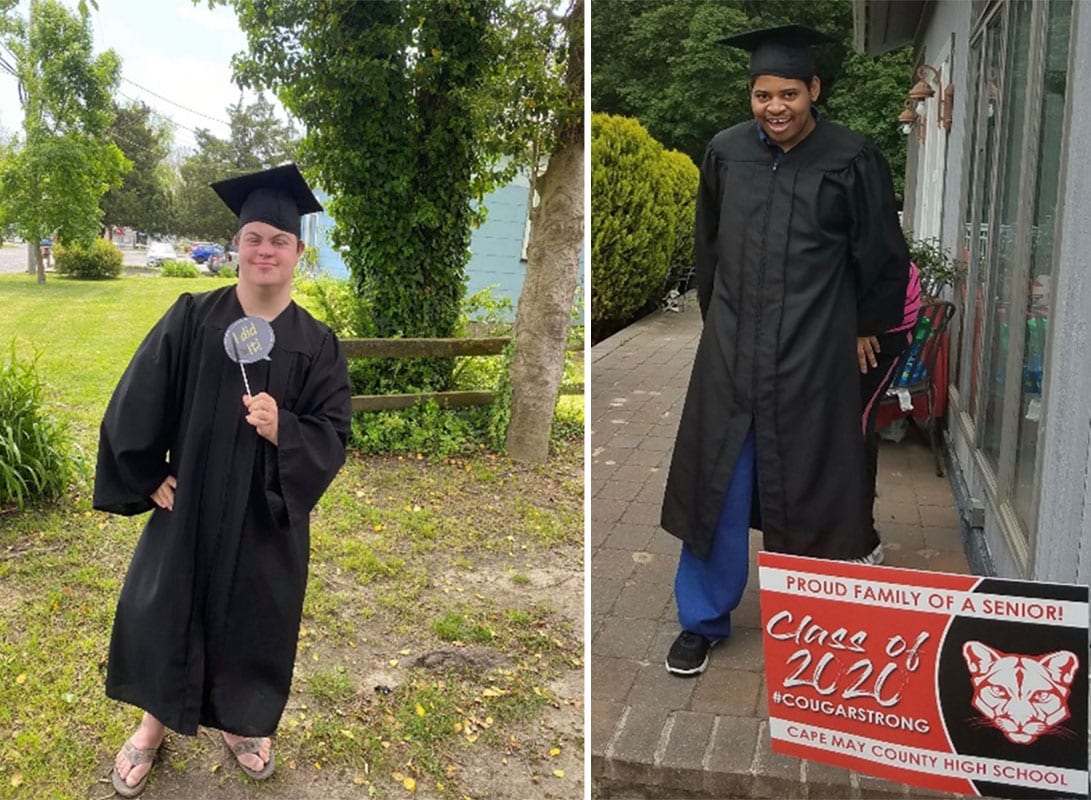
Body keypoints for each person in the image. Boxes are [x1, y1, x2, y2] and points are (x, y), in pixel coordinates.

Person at [659, 25, 911, 676]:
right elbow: (707, 247)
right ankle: (702, 620)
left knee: (812, 483)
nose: (774, 107)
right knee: (716, 481)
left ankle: (811, 619)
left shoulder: (851, 157)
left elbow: (881, 255)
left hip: (812, 348)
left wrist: (865, 327)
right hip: (733, 349)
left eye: (788, 94)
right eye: (762, 94)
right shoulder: (724, 153)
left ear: (813, 90)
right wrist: (718, 327)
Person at [94, 163, 353, 796]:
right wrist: (143, 473)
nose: (266, 250)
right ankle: (154, 723)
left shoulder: (317, 344)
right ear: (238, 244)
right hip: (192, 503)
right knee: (167, 607)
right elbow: (140, 395)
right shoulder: (192, 318)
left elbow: (334, 432)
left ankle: (243, 725)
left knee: (255, 617)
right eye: (255, 237)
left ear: (297, 253)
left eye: (280, 240)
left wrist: (284, 429)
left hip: (265, 514)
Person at [858, 260, 922, 542]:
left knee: (854, 428)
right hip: (867, 328)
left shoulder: (870, 223)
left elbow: (884, 266)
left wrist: (863, 324)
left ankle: (860, 535)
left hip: (877, 335)